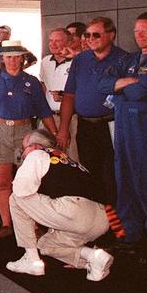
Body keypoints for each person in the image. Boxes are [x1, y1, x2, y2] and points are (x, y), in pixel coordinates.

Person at [5, 129, 114, 280]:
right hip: (102, 219)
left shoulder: (37, 154)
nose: (22, 154)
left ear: (36, 146)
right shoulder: (70, 161)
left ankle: (32, 261)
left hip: (74, 212)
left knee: (15, 199)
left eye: (24, 148)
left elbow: (20, 189)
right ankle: (93, 257)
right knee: (45, 245)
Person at [0, 41, 58, 239]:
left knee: (31, 181)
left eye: (16, 56)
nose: (13, 61)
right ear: (2, 60)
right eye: (9, 57)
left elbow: (44, 111)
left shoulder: (31, 82)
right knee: (3, 182)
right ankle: (6, 224)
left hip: (26, 133)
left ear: (22, 59)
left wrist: (55, 135)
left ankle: (35, 225)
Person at [108, 11, 147, 261]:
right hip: (124, 129)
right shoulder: (129, 60)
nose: (139, 35)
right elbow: (102, 82)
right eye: (135, 31)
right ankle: (129, 234)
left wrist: (120, 87)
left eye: (144, 30)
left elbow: (144, 91)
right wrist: (124, 83)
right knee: (125, 183)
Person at [57, 17, 127, 207]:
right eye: (87, 35)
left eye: (96, 34)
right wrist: (63, 129)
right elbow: (69, 95)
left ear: (111, 35)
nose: (90, 38)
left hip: (113, 127)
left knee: (113, 177)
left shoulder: (124, 60)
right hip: (86, 127)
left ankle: (118, 227)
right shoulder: (80, 60)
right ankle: (98, 225)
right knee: (90, 175)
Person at [37, 28, 78, 160]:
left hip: (71, 119)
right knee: (46, 157)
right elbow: (43, 87)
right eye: (51, 41)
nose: (53, 44)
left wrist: (65, 97)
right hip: (48, 117)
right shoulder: (45, 61)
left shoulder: (76, 61)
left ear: (69, 42)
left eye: (58, 41)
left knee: (70, 157)